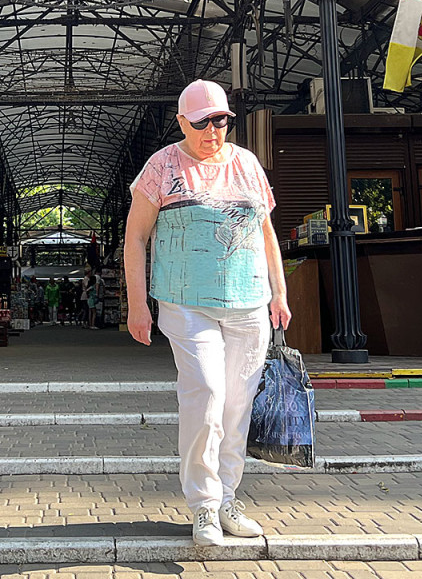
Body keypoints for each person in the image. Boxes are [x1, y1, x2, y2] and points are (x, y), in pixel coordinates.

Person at [124, 78, 289, 546]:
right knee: (208, 395)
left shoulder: (247, 164)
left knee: (238, 405)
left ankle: (228, 498)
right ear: (182, 122)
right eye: (203, 123)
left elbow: (265, 232)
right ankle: (203, 505)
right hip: (184, 301)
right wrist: (139, 305)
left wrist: (279, 292)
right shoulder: (161, 167)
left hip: (249, 301)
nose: (214, 131)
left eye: (222, 121)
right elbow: (136, 237)